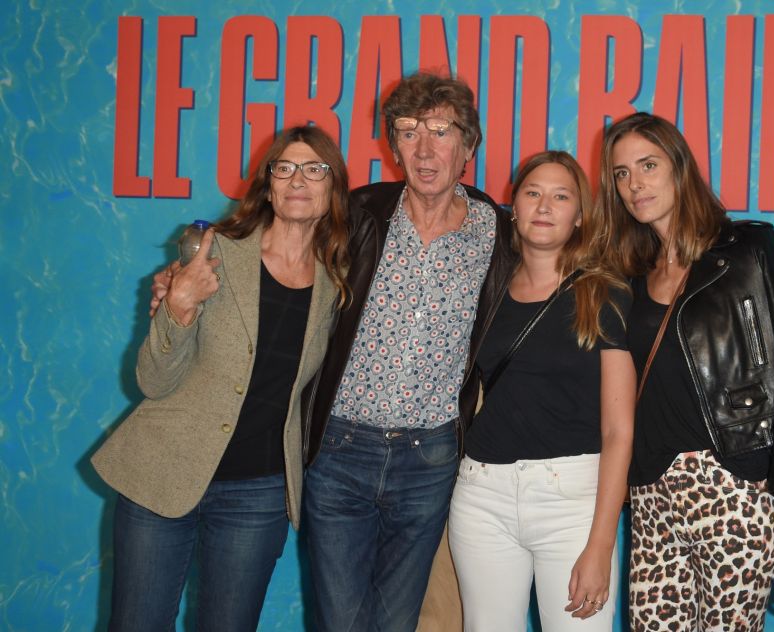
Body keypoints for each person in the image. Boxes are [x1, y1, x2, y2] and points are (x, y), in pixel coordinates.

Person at [93, 125, 349, 632]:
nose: (298, 180)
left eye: (314, 169)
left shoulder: (338, 279)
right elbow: (152, 380)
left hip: (258, 493)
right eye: (285, 168)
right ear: (268, 184)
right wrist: (180, 306)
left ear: (332, 187)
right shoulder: (212, 253)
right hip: (163, 471)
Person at [300, 72, 517, 632]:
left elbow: (566, 275)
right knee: (340, 622)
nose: (424, 149)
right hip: (341, 451)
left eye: (440, 131)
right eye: (408, 131)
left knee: (399, 624)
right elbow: (280, 248)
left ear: (468, 146)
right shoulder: (358, 213)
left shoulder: (498, 232)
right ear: (392, 145)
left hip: (430, 458)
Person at [598, 111, 774, 631]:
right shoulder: (630, 276)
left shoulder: (749, 250)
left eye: (648, 165)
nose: (635, 184)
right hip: (652, 495)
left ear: (679, 168)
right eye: (621, 173)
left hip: (733, 488)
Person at [447, 151, 635, 631]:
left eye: (560, 196)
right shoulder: (487, 287)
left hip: (572, 502)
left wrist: (601, 544)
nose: (544, 206)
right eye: (533, 193)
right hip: (482, 496)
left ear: (578, 217)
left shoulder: (603, 293)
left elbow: (618, 431)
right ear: (515, 207)